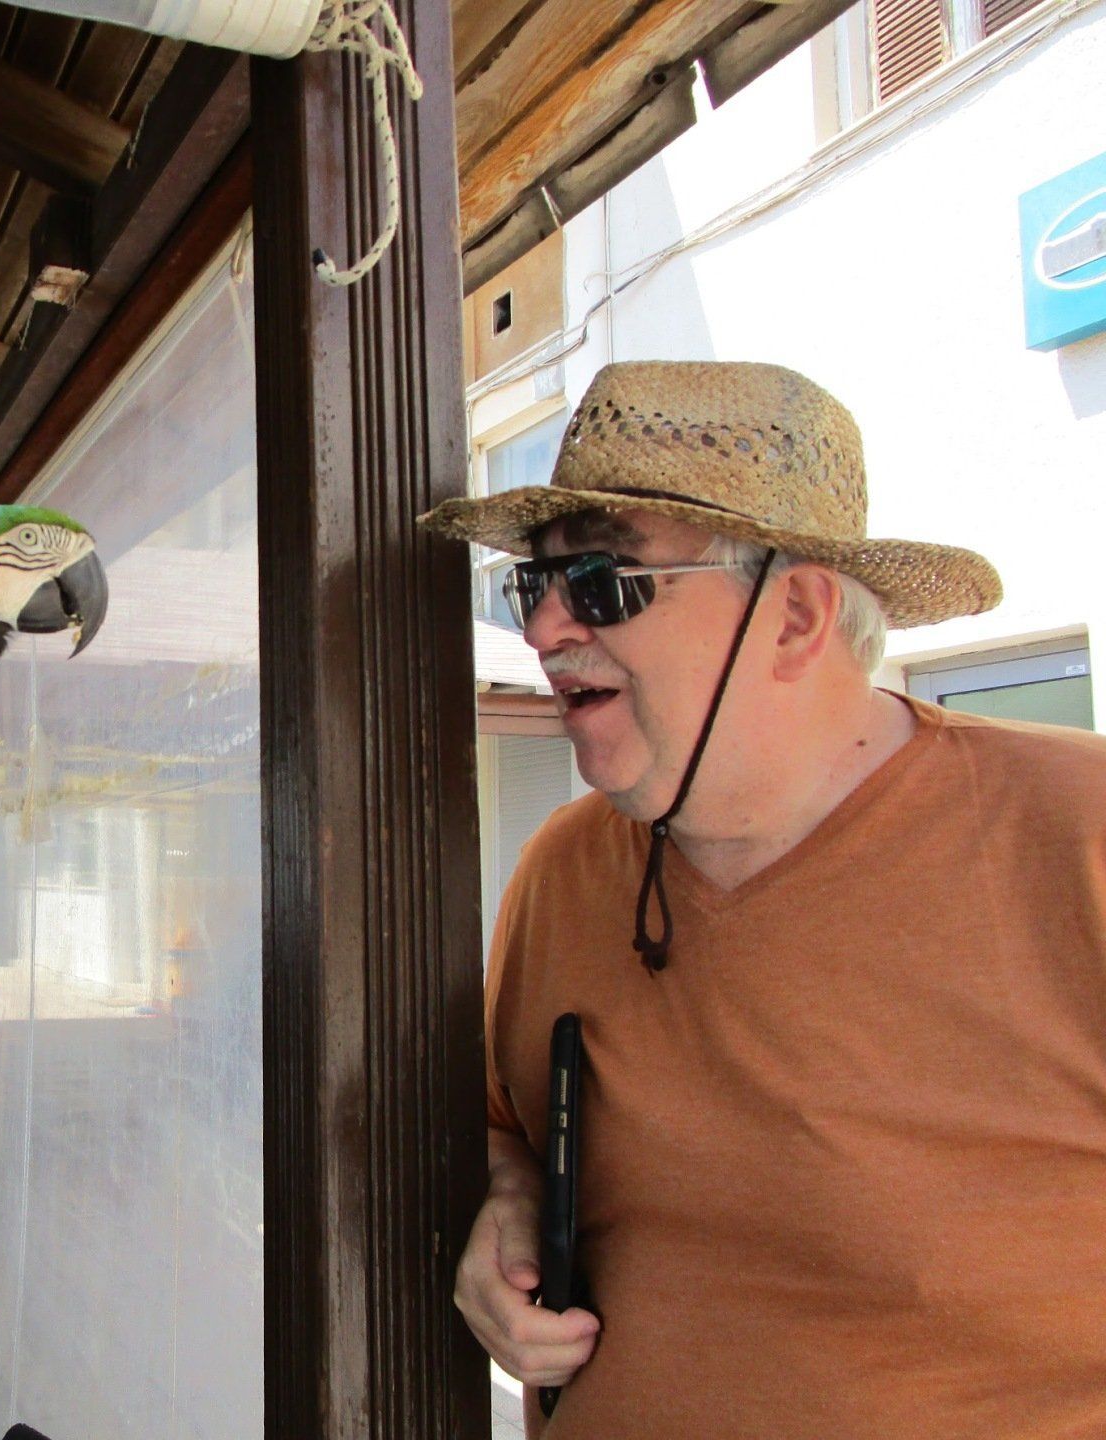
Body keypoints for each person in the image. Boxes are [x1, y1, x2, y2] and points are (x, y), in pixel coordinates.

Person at [425, 361, 1106, 1438]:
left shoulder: (1079, 838)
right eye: (533, 586)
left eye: (601, 580)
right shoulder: (564, 870)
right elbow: (502, 1121)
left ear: (794, 616)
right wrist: (503, 1204)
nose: (547, 631)